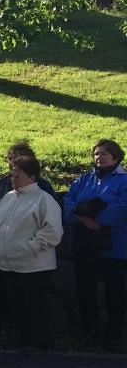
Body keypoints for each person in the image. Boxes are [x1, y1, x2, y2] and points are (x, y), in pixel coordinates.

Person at [0, 155, 63, 350]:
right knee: (17, 305)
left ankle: (41, 343)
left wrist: (29, 248)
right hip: (8, 263)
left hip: (35, 265)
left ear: (32, 177)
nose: (12, 179)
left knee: (35, 306)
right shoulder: (8, 198)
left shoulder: (44, 199)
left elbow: (53, 231)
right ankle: (24, 340)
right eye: (12, 175)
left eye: (17, 175)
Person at [64, 139, 127, 351]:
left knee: (114, 294)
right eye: (96, 154)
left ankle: (114, 337)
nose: (99, 157)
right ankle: (90, 334)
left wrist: (92, 215)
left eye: (104, 154)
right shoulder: (83, 180)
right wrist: (82, 218)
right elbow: (68, 204)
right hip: (86, 246)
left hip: (115, 248)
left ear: (115, 157)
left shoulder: (124, 181)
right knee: (85, 292)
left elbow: (122, 210)